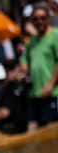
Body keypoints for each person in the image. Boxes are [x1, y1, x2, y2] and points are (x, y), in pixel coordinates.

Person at [21, 3, 58, 131]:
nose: (39, 21)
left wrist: (50, 84)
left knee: (50, 130)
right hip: (34, 93)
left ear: (48, 18)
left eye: (42, 18)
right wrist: (24, 71)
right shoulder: (32, 41)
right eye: (35, 18)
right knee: (32, 129)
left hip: (52, 93)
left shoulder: (55, 35)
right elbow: (24, 60)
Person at [0, 60, 28, 134]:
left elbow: (4, 113)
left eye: (11, 69)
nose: (8, 72)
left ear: (18, 69)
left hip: (11, 130)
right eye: (6, 69)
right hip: (3, 128)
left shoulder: (18, 87)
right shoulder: (8, 87)